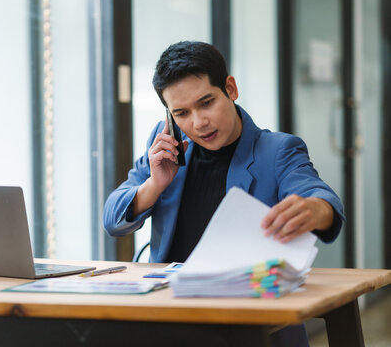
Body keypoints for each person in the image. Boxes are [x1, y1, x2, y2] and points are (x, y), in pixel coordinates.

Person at [102, 41, 345, 346]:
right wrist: (155, 184)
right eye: (181, 113)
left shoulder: (277, 150)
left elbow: (322, 198)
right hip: (173, 317)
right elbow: (112, 220)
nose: (198, 123)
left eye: (206, 103)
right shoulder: (167, 146)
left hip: (250, 323)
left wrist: (315, 209)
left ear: (230, 88)